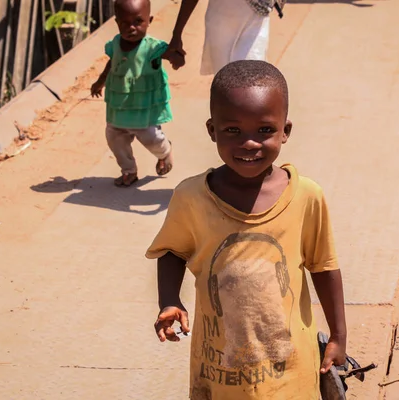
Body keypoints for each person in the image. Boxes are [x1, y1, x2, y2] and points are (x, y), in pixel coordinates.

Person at [147, 60, 347, 399]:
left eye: (265, 130)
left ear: (286, 130)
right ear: (212, 130)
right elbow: (172, 250)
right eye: (233, 131)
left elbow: (323, 266)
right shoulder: (192, 197)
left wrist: (339, 336)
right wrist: (169, 299)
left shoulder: (306, 196)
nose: (249, 143)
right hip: (220, 372)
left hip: (291, 372)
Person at [91, 0, 185, 187]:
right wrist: (99, 82)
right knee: (114, 138)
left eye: (138, 22)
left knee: (151, 138)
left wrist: (177, 58)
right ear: (117, 22)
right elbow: (111, 64)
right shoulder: (115, 44)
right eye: (125, 23)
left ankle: (164, 152)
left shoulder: (152, 47)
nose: (131, 28)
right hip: (120, 106)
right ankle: (129, 170)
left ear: (149, 20)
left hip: (144, 108)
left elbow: (170, 54)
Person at [166, 0, 278, 75]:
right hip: (221, 27)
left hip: (255, 22)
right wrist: (177, 34)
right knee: (228, 88)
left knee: (251, 82)